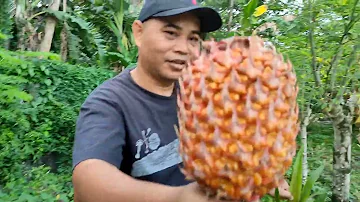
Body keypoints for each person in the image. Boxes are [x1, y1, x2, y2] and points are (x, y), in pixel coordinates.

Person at [71, 0, 293, 202]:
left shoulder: (204, 91)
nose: (182, 48)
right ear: (138, 33)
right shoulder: (110, 102)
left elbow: (240, 141)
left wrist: (264, 175)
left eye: (193, 38)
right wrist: (178, 197)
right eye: (170, 33)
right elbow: (88, 182)